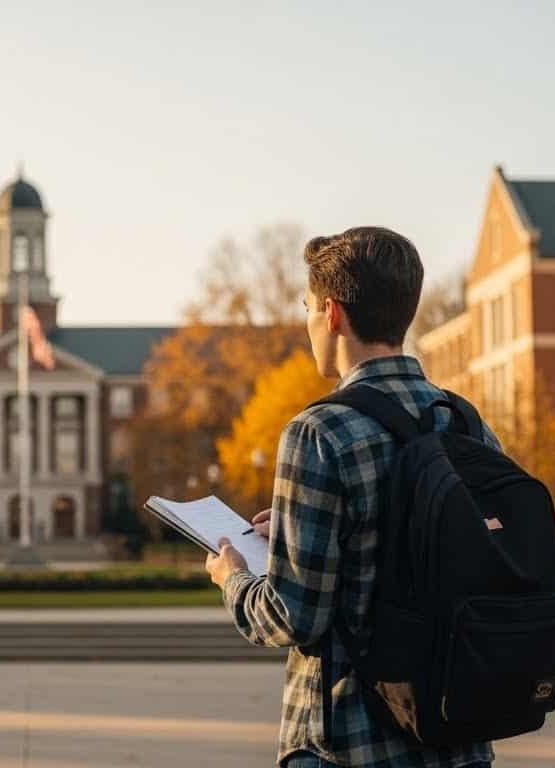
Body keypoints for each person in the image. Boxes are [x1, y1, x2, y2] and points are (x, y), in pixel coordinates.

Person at [204, 226, 500, 767]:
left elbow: (293, 617)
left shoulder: (320, 432)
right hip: (458, 734)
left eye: (306, 307)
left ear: (332, 312)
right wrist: (293, 535)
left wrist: (234, 578)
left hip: (349, 744)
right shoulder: (466, 423)